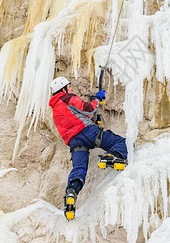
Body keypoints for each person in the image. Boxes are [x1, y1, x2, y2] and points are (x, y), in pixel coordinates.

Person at [49, 76, 128, 219]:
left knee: (79, 169)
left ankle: (71, 195)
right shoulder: (68, 98)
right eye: (69, 86)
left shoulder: (55, 109)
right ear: (63, 89)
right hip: (87, 132)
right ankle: (112, 157)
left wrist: (92, 120)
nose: (71, 88)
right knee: (119, 142)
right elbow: (89, 108)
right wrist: (97, 98)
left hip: (75, 142)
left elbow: (73, 118)